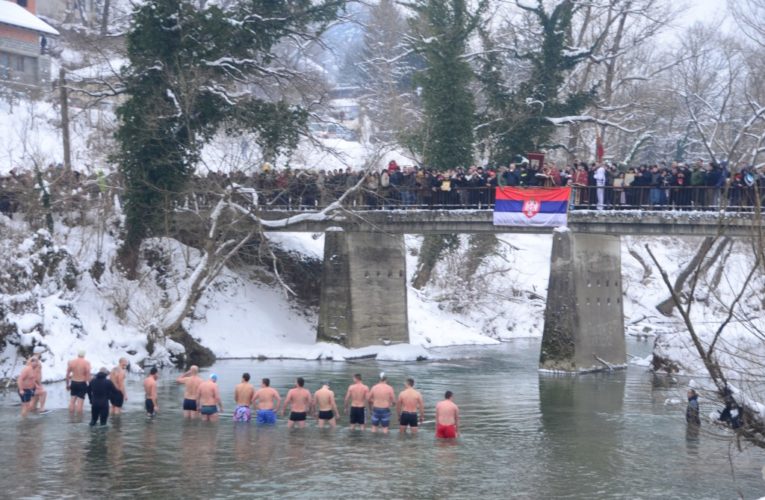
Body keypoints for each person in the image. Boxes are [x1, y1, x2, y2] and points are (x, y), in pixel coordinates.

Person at [66, 350, 91, 414]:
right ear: (84, 355)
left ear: (78, 354)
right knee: (80, 402)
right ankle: (79, 420)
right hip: (82, 383)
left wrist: (67, 384)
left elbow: (67, 374)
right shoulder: (86, 363)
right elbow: (88, 375)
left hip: (73, 382)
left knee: (72, 401)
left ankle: (70, 417)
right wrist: (90, 385)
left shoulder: (72, 362)